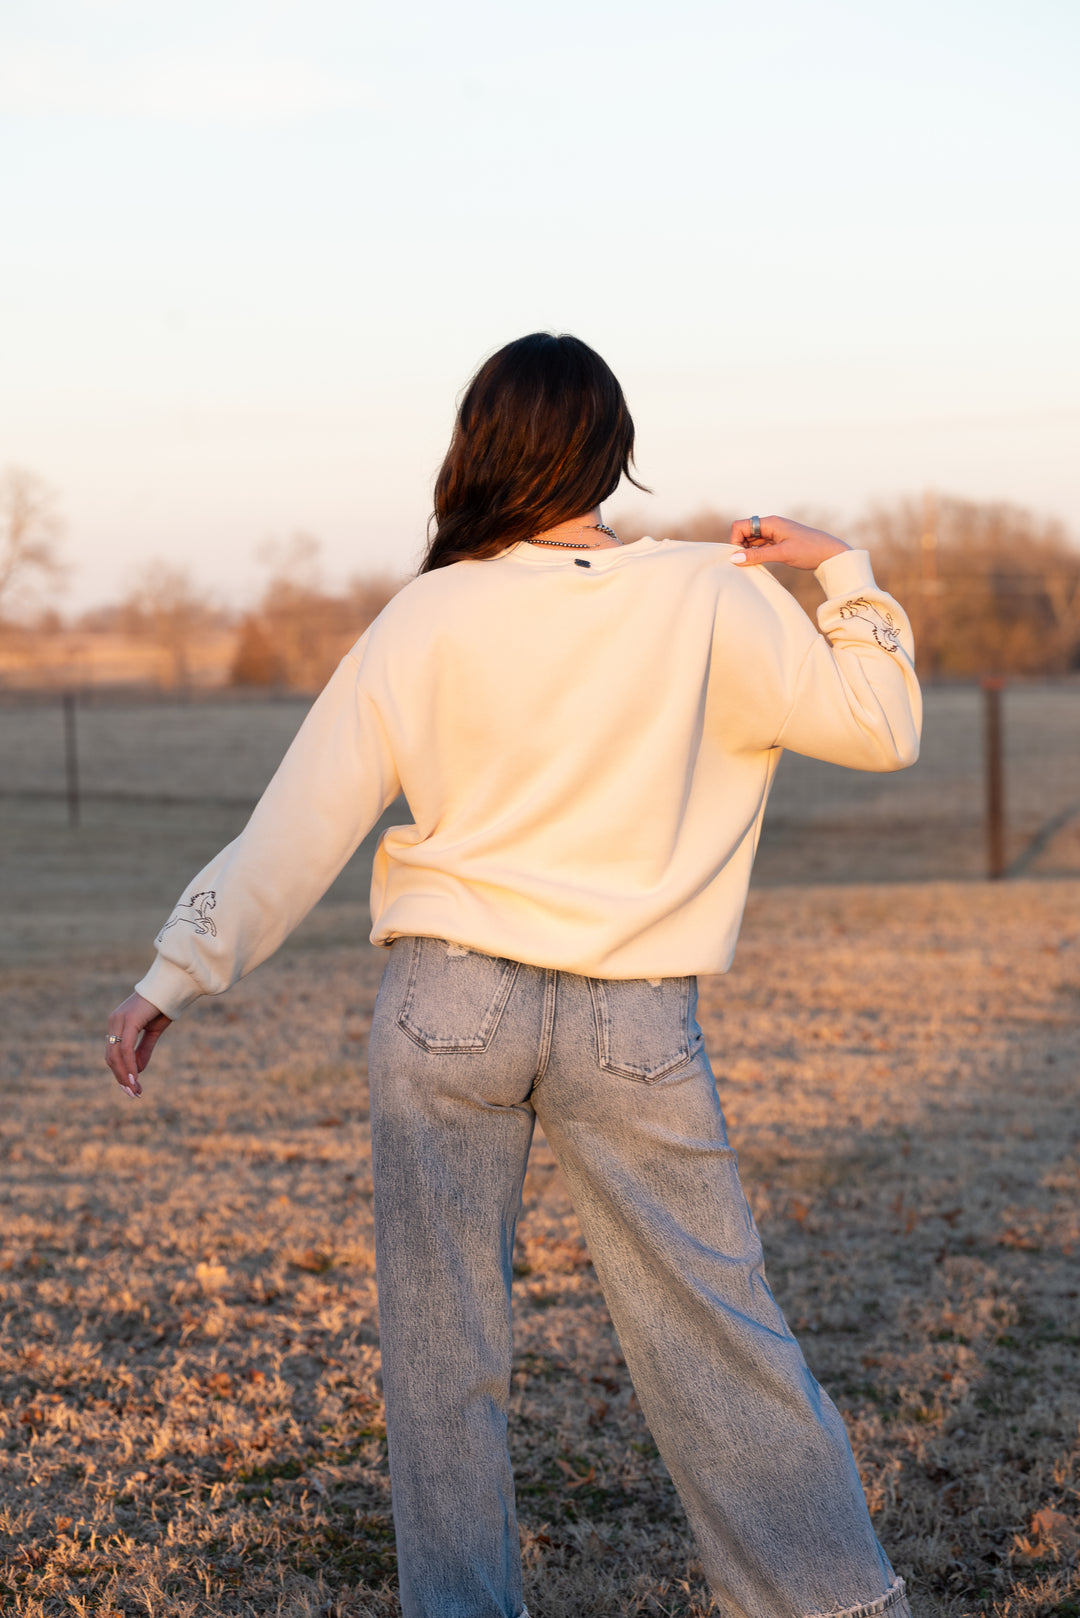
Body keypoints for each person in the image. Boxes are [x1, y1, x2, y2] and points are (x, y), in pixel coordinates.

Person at [106, 332, 920, 1618]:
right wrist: (845, 574)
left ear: (479, 447)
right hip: (634, 1022)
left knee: (444, 1358)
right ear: (613, 450)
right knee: (720, 1334)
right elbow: (884, 726)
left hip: (447, 1008)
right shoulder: (713, 594)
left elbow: (302, 819)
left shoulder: (428, 611)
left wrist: (175, 971)